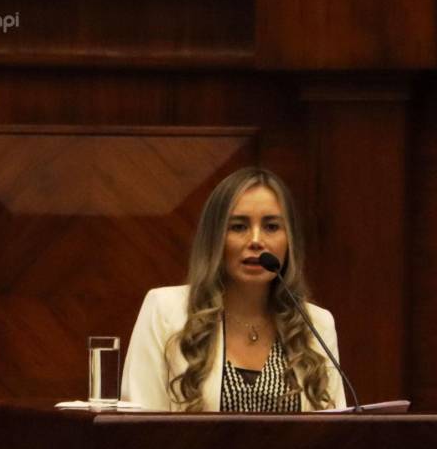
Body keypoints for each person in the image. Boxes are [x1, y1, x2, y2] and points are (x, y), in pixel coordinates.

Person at [121, 167, 347, 412]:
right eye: (239, 227)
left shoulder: (316, 323)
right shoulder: (165, 311)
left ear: (289, 240)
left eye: (271, 227)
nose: (256, 240)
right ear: (215, 238)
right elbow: (138, 429)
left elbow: (337, 436)